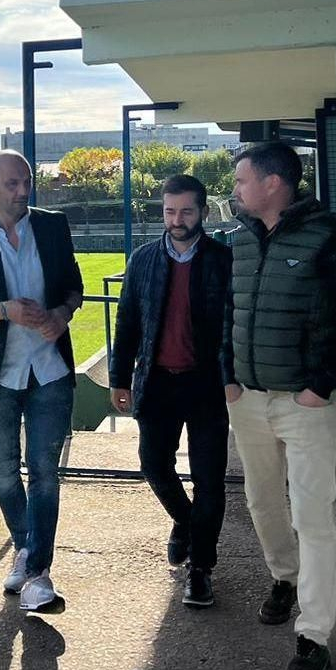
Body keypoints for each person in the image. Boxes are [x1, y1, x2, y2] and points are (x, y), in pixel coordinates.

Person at [221, 141, 336, 670]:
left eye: (242, 181)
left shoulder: (328, 233)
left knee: (312, 518)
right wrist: (229, 375)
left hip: (305, 405)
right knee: (263, 504)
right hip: (249, 402)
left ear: (273, 183)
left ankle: (314, 634)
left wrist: (320, 385)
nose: (235, 189)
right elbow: (226, 314)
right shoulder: (237, 241)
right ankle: (283, 580)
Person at [0, 149, 84, 612]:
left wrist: (61, 315)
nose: (22, 191)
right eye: (11, 184)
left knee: (45, 473)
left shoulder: (52, 225)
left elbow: (74, 286)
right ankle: (25, 546)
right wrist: (5, 311)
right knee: (6, 473)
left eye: (26, 181)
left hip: (49, 370)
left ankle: (36, 572)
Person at [109, 174, 233, 609]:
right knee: (154, 466)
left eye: (185, 211)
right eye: (169, 211)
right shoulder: (143, 259)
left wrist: (232, 376)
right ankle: (185, 521)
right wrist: (119, 378)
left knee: (209, 477)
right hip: (157, 382)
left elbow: (233, 327)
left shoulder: (222, 260)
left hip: (206, 385)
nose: (176, 220)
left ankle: (200, 568)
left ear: (201, 211)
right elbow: (126, 325)